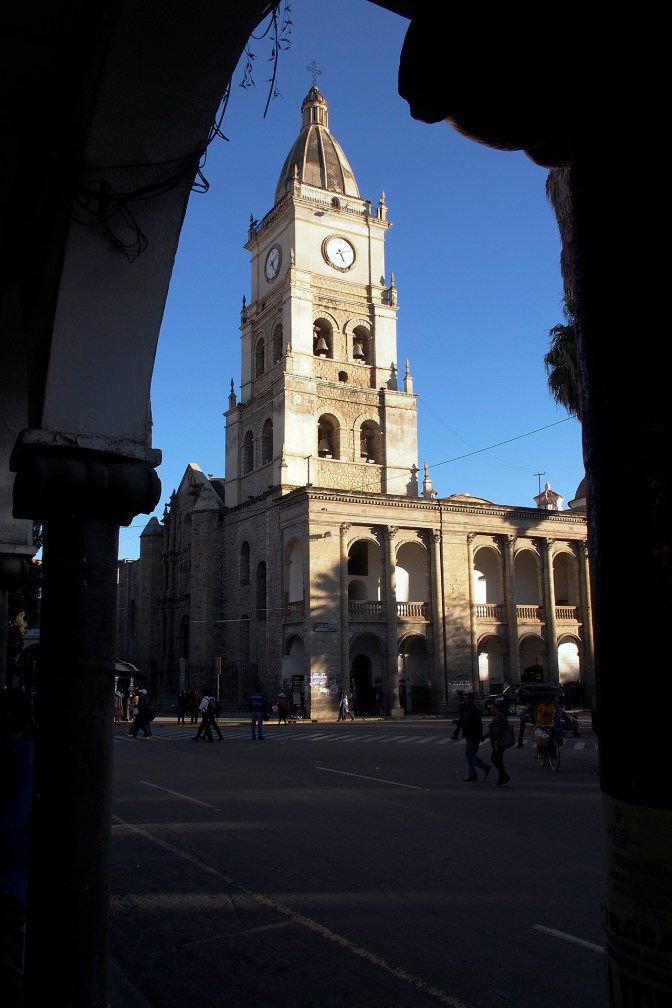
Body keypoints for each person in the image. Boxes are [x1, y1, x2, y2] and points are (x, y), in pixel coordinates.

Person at [0, 688, 34, 1008]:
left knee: (10, 967)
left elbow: (11, 825)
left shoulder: (25, 757)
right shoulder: (17, 752)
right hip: (13, 876)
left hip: (13, 879)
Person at [461, 692, 491, 782]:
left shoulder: (475, 710)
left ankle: (474, 774)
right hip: (469, 735)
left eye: (467, 698)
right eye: (464, 698)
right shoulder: (467, 709)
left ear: (471, 699)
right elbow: (465, 721)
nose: (465, 700)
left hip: (473, 735)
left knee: (470, 755)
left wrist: (480, 736)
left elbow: (479, 724)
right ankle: (485, 767)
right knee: (470, 755)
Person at [483, 700, 511, 787]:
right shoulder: (497, 717)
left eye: (494, 708)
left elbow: (501, 730)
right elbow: (493, 730)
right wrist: (484, 737)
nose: (492, 710)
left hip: (499, 742)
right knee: (498, 760)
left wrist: (497, 740)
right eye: (492, 708)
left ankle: (504, 777)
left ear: (498, 709)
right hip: (496, 741)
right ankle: (502, 779)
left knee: (495, 759)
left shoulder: (500, 717)